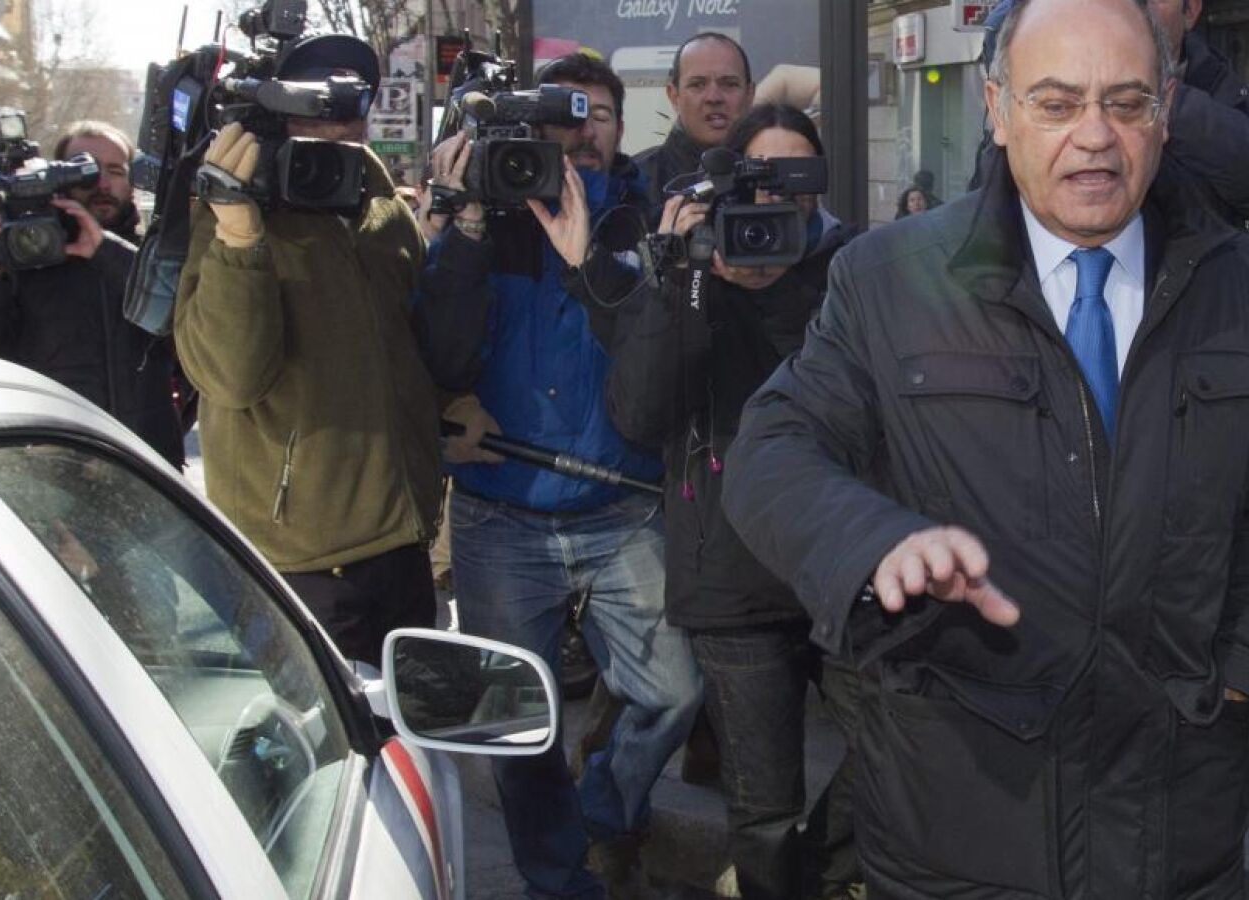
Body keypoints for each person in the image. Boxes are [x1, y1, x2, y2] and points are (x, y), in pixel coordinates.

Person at [720, 0, 1249, 895]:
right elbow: (771, 452)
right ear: (999, 111)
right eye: (1056, 102)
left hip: (1180, 825)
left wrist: (1247, 668)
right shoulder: (890, 280)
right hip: (959, 827)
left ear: (1165, 112)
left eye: (1125, 102)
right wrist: (874, 541)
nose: (1095, 136)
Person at [413, 52, 702, 900]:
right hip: (501, 514)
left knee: (675, 691)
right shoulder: (484, 222)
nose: (577, 137)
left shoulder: (646, 222)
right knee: (513, 722)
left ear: (620, 125)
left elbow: (664, 349)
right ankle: (555, 877)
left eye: (595, 117)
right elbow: (441, 354)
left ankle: (602, 812)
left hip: (620, 506)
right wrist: (467, 224)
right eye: (555, 124)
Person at [604, 104, 860, 900]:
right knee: (764, 810)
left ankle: (818, 876)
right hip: (734, 583)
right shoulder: (689, 275)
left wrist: (778, 289)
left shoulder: (851, 271)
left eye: (793, 179)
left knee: (911, 749)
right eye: (758, 178)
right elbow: (641, 413)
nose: (774, 200)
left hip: (843, 568)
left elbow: (854, 401)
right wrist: (683, 275)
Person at [172, 35, 443, 669]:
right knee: (329, 727)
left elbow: (412, 341)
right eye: (317, 95)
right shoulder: (235, 208)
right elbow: (230, 378)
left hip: (403, 540)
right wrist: (240, 236)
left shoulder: (383, 208)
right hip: (303, 560)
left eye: (355, 96)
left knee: (410, 720)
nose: (339, 113)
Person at [971, 0, 1249, 224]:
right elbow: (987, 214)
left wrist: (1160, 102)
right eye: (1058, 107)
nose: (1131, 7)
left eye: (1126, 106)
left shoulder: (1221, 90)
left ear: (1190, 11)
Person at [0, 120, 184, 468]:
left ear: (132, 181)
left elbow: (188, 326)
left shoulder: (156, 256)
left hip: (148, 467)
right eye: (85, 169)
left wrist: (106, 251)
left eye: (115, 171)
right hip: (49, 469)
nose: (101, 183)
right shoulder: (18, 260)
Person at [634, 33, 755, 201]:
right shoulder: (634, 182)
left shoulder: (772, 177)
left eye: (729, 84)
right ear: (674, 96)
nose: (713, 97)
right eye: (697, 85)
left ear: (750, 95)